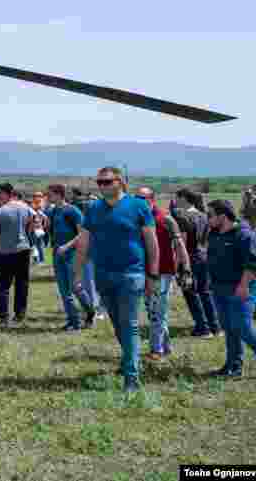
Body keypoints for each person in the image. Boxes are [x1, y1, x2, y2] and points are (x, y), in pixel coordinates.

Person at [74, 167, 159, 392]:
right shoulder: (93, 208)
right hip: (103, 275)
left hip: (132, 274)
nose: (102, 186)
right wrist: (78, 273)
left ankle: (132, 377)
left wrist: (153, 274)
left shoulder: (138, 206)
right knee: (118, 324)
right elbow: (83, 241)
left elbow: (152, 243)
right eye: (99, 182)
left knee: (130, 325)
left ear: (119, 182)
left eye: (106, 182)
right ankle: (130, 361)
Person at [205, 200, 256, 378]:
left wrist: (244, 286)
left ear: (222, 217)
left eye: (210, 215)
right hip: (219, 288)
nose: (207, 219)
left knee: (242, 327)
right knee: (229, 327)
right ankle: (233, 366)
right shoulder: (214, 233)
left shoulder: (244, 235)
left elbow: (253, 264)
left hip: (241, 288)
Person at [137, 187, 191, 361]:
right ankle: (166, 346)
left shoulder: (166, 219)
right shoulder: (137, 220)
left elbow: (180, 245)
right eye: (136, 198)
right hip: (144, 273)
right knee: (153, 311)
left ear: (151, 199)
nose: (138, 201)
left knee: (157, 312)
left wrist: (186, 269)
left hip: (164, 273)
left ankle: (157, 349)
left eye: (142, 198)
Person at [174, 189, 221, 338]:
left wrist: (178, 264)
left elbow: (182, 242)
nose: (175, 200)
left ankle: (202, 327)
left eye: (177, 197)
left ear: (184, 199)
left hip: (190, 257)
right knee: (206, 292)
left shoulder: (182, 216)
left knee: (191, 293)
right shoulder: (203, 215)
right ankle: (216, 327)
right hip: (204, 256)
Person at [0, 183, 36, 325]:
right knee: (22, 282)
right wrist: (27, 233)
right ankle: (20, 314)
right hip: (23, 248)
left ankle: (3, 314)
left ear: (5, 194)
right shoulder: (24, 207)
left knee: (2, 284)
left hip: (5, 251)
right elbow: (35, 220)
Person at [47, 185, 91, 331]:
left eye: (50, 194)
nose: (48, 197)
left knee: (75, 287)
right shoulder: (53, 211)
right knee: (64, 290)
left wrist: (67, 246)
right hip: (57, 255)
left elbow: (82, 233)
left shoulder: (72, 211)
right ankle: (74, 321)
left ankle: (90, 311)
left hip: (72, 255)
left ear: (59, 195)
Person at [29, 192, 49, 265]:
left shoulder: (36, 207)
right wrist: (44, 227)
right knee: (38, 245)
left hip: (35, 229)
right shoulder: (40, 206)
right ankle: (40, 260)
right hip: (39, 229)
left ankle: (38, 260)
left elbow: (45, 218)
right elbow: (46, 218)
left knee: (35, 245)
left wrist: (43, 226)